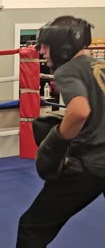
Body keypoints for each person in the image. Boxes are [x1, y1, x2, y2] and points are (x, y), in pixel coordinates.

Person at [16, 16, 105, 247]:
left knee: (32, 227)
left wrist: (55, 142)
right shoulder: (101, 66)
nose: (41, 51)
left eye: (45, 45)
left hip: (91, 166)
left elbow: (79, 112)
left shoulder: (69, 70)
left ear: (62, 46)